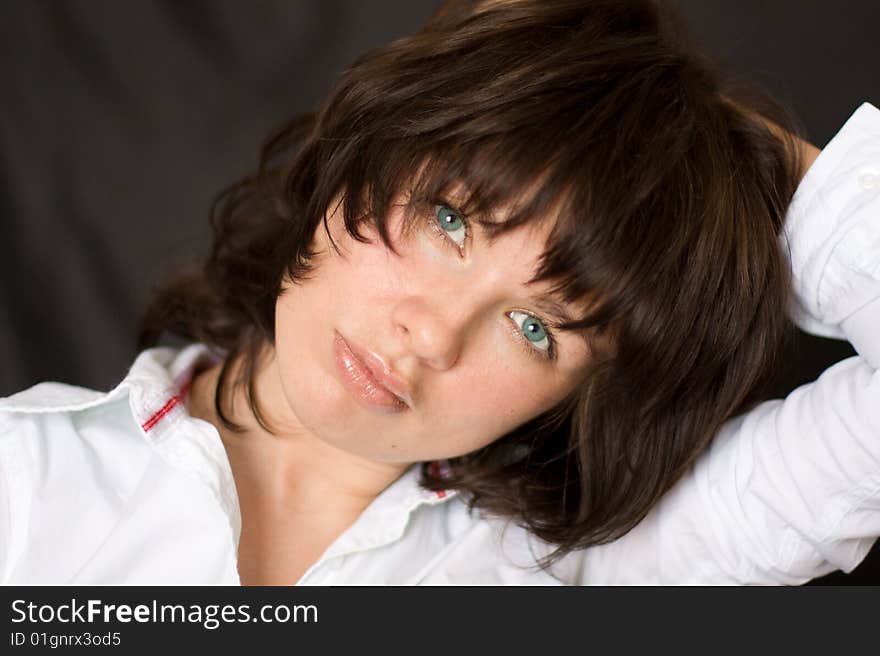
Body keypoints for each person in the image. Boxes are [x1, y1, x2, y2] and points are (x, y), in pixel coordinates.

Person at [0, 0, 877, 585]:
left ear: (583, 395)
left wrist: (737, 167)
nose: (431, 335)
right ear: (366, 153)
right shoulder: (26, 474)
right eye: (451, 221)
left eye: (536, 328)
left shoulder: (592, 574)